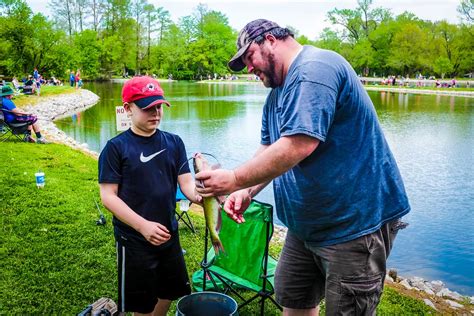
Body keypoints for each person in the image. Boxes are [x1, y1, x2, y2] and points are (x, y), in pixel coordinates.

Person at [195, 19, 410, 315]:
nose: (249, 68)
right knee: (294, 300)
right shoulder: (276, 96)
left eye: (250, 57)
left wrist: (232, 179)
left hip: (353, 226)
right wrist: (246, 190)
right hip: (306, 228)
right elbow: (270, 148)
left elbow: (299, 144)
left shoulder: (315, 68)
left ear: (270, 40)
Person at [98, 76, 200, 316]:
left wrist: (208, 191)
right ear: (128, 108)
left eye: (159, 106)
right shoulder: (116, 148)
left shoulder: (174, 142)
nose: (155, 113)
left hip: (168, 233)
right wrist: (143, 226)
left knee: (168, 292)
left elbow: (188, 187)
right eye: (147, 108)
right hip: (134, 238)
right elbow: (108, 196)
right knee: (142, 302)